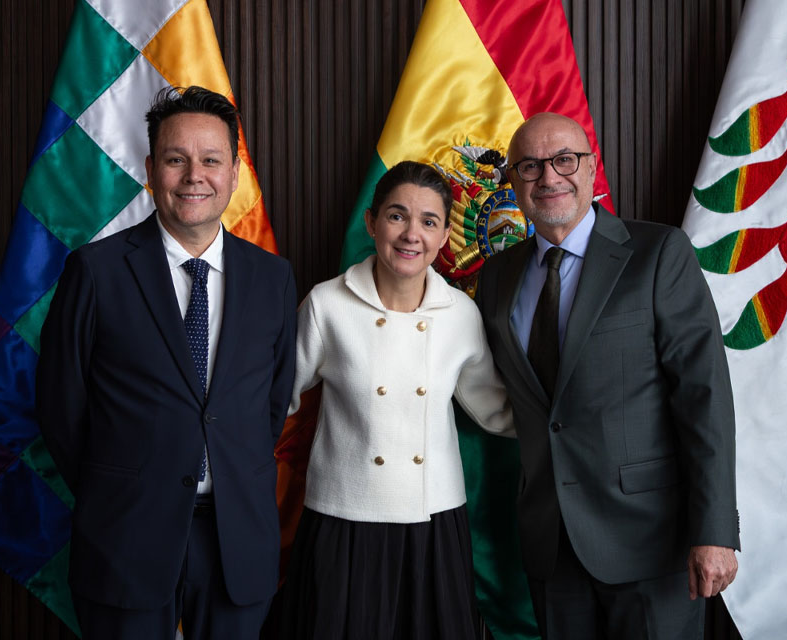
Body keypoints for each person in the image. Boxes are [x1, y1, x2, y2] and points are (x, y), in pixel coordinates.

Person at [36, 86, 297, 640]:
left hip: (236, 538)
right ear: (151, 169)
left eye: (211, 160)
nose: (194, 176)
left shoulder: (273, 278)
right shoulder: (96, 271)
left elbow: (271, 405)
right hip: (126, 532)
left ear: (234, 173)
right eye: (177, 159)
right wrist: (119, 487)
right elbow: (62, 409)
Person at [474, 113, 740, 639]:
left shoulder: (659, 253)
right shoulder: (498, 277)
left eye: (564, 160)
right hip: (551, 545)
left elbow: (704, 397)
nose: (549, 177)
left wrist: (715, 531)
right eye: (530, 166)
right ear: (513, 182)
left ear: (593, 168)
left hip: (651, 541)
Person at [278, 161, 514, 639]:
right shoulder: (326, 304)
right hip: (344, 517)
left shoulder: (460, 313)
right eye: (396, 216)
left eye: (428, 221)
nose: (411, 234)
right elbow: (275, 399)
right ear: (372, 222)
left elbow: (496, 410)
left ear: (444, 236)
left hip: (434, 520)